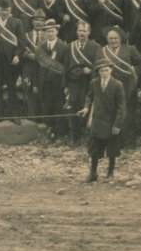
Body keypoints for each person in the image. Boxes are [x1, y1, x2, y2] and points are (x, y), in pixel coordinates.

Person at [80, 59, 126, 182]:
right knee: (94, 149)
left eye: (106, 70)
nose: (104, 73)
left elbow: (121, 107)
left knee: (112, 150)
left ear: (111, 70)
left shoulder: (117, 85)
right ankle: (93, 173)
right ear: (98, 72)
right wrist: (86, 107)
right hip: (97, 121)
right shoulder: (94, 83)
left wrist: (117, 125)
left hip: (111, 122)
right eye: (101, 71)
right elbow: (90, 96)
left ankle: (110, 173)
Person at [63, 19, 100, 147]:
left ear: (89, 32)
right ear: (76, 31)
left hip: (88, 84)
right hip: (73, 84)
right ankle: (74, 137)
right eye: (80, 30)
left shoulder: (95, 47)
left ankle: (87, 137)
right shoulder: (70, 46)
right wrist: (65, 86)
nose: (82, 33)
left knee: (87, 109)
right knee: (73, 109)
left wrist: (91, 71)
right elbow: (66, 67)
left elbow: (99, 66)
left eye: (85, 31)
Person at [34, 20, 69, 141]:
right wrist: (36, 84)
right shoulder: (41, 48)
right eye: (48, 31)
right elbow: (36, 68)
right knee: (47, 108)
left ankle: (60, 133)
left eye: (52, 31)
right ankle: (50, 133)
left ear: (57, 32)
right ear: (45, 33)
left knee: (59, 108)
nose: (50, 34)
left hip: (58, 84)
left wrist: (65, 84)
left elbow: (66, 67)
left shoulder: (63, 47)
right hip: (45, 83)